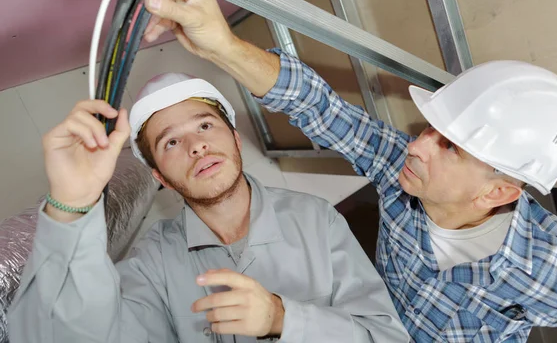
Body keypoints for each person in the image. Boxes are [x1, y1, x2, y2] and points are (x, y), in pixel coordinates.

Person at [135, 0, 557, 342]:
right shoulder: (403, 170)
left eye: (449, 147)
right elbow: (317, 106)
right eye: (429, 130)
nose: (415, 145)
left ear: (498, 191)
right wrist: (224, 46)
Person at [8, 70, 409, 342]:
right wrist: (71, 204)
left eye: (205, 125)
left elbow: (387, 336)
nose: (196, 145)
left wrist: (283, 319)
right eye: (170, 142)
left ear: (235, 139)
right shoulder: (154, 260)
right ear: (160, 177)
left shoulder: (315, 218)